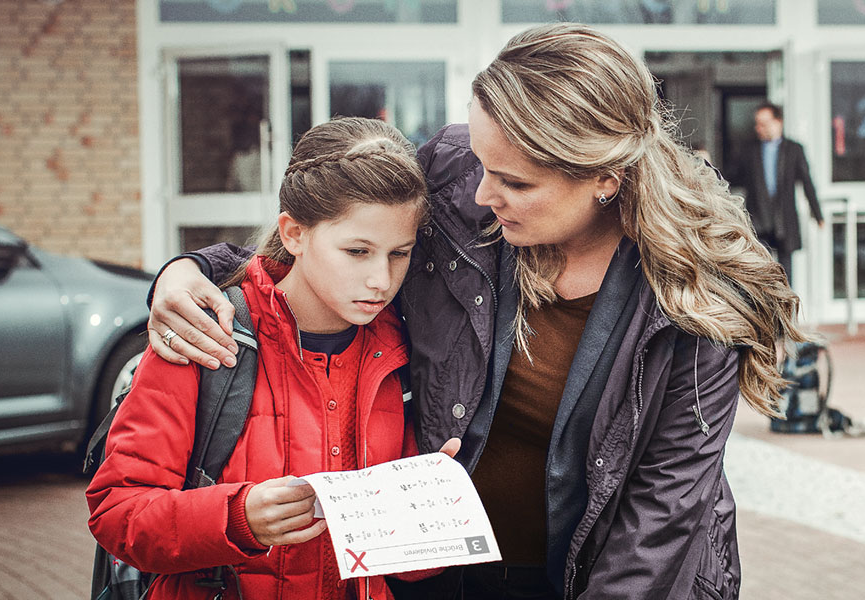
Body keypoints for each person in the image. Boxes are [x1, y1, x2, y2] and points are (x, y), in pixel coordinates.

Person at [145, 23, 805, 600]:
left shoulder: (699, 299)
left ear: (606, 178)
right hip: (437, 576)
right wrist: (196, 269)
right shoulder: (460, 171)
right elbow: (329, 236)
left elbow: (661, 519)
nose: (484, 193)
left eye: (515, 181)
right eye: (483, 162)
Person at [87, 117, 451, 600]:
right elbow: (117, 513)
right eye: (357, 251)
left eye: (399, 253)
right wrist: (237, 519)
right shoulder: (205, 334)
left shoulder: (404, 348)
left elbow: (408, 572)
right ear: (294, 233)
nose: (381, 280)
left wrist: (430, 515)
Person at [725, 102, 824, 283]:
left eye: (764, 123)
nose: (759, 128)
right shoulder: (749, 150)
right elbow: (732, 177)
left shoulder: (794, 150)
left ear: (778, 122)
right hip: (758, 218)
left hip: (784, 219)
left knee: (786, 272)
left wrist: (818, 215)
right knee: (761, 269)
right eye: (757, 123)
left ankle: (786, 308)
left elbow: (807, 183)